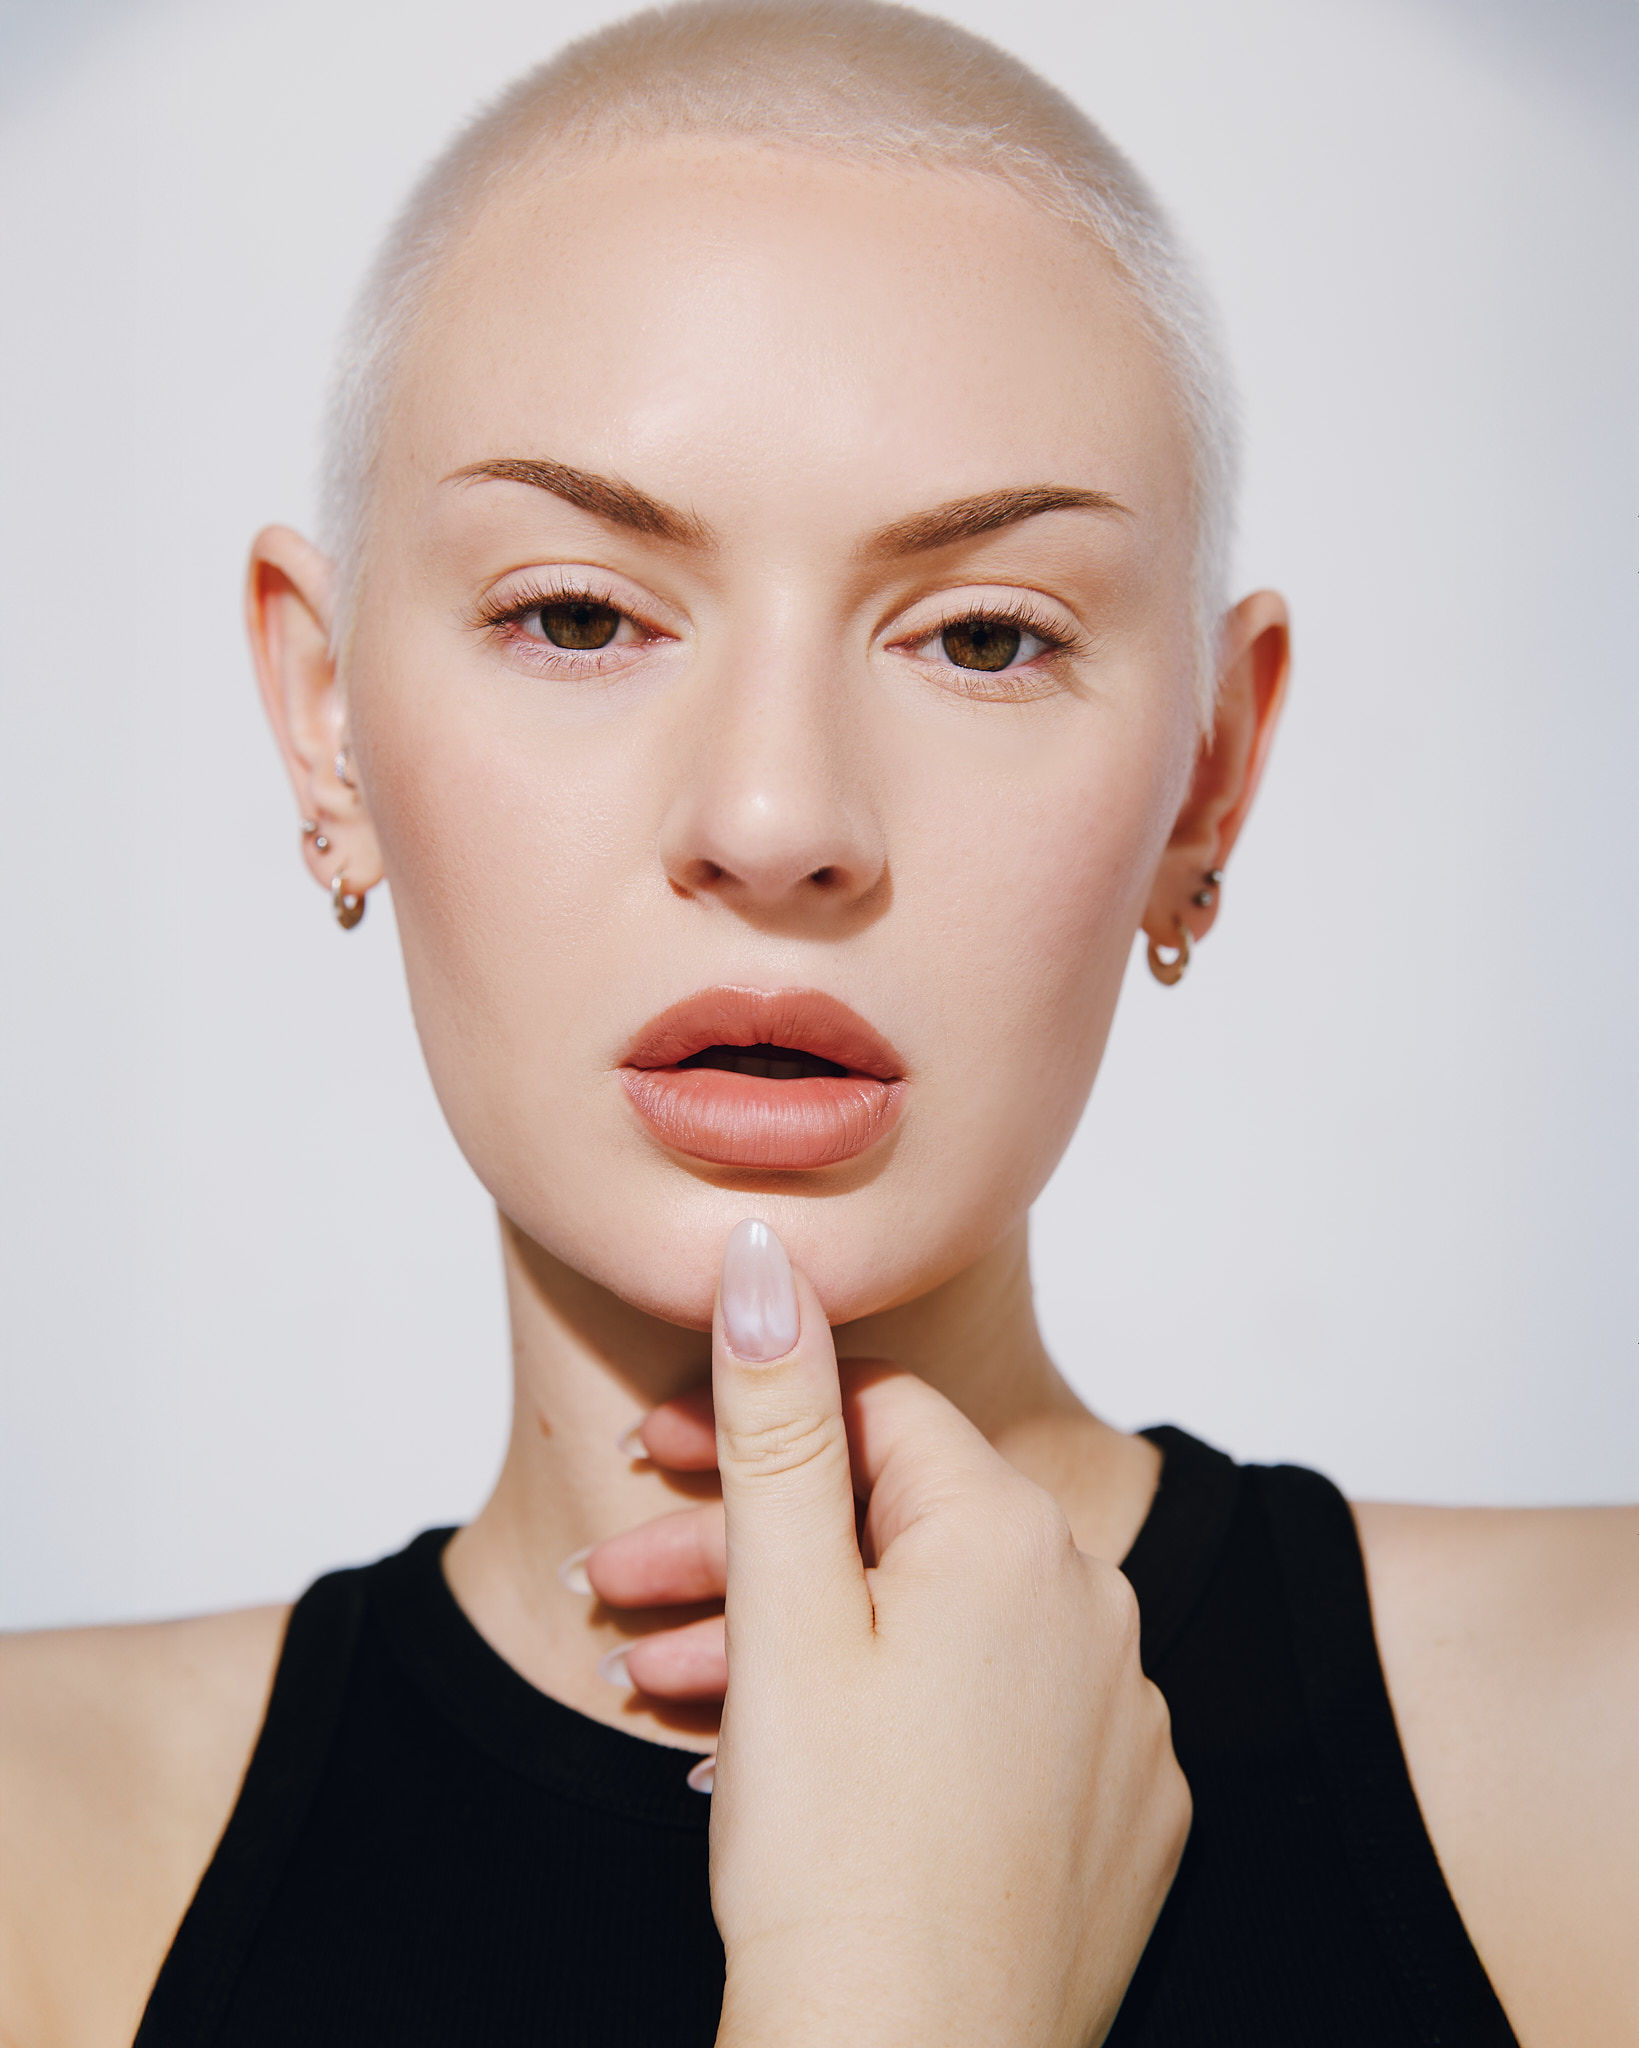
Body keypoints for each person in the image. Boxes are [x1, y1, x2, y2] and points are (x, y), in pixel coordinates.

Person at [1, 3, 1634, 2043]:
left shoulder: (1608, 1760)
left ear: (1207, 777)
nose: (775, 822)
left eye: (980, 636)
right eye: (577, 614)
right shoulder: (33, 1867)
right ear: (322, 717)